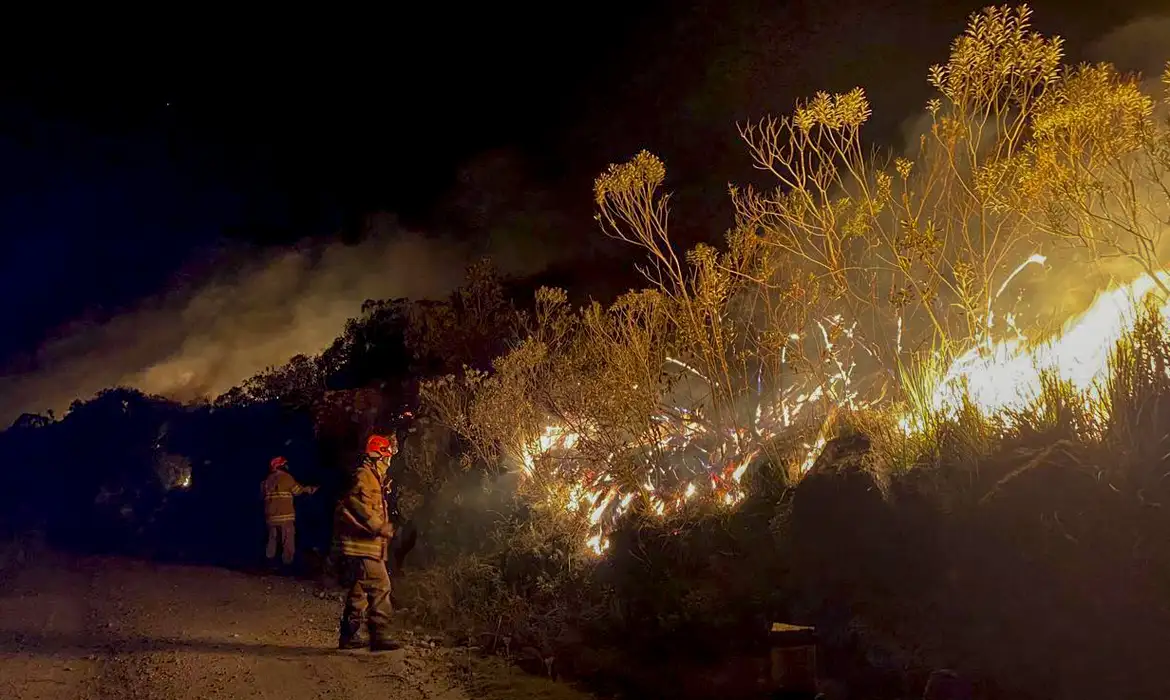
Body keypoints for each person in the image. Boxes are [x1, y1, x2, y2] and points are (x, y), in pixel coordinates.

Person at [334, 433, 400, 651]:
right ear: (377, 457)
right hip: (362, 545)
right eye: (386, 458)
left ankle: (349, 636)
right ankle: (379, 635)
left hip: (367, 545)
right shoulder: (364, 475)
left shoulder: (374, 478)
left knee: (359, 591)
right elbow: (354, 502)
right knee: (381, 586)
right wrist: (377, 526)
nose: (388, 462)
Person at [260, 456, 317, 569]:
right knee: (287, 540)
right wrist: (310, 489)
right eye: (285, 464)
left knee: (272, 540)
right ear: (281, 466)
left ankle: (269, 563)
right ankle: (287, 564)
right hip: (285, 516)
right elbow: (298, 491)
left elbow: (261, 497)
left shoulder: (266, 481)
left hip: (270, 518)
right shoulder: (286, 478)